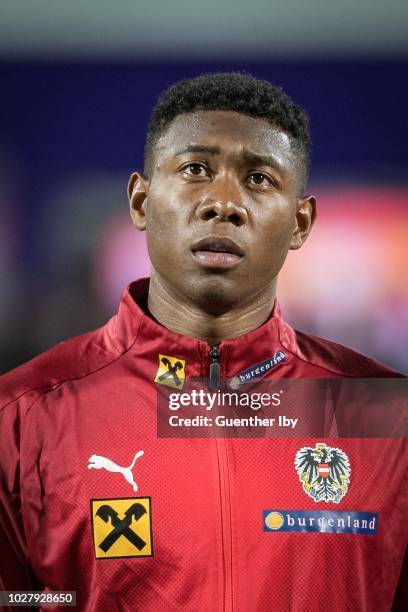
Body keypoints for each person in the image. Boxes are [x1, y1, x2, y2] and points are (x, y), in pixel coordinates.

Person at [0, 72, 406, 611]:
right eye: (196, 169)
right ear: (141, 201)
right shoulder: (23, 417)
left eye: (259, 178)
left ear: (300, 223)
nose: (224, 203)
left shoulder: (386, 415)